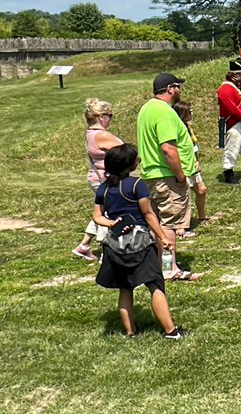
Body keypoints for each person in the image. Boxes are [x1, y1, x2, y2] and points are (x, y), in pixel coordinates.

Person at [91, 144, 188, 339]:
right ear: (128, 166)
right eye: (136, 160)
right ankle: (170, 331)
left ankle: (130, 332)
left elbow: (97, 217)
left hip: (115, 245)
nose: (138, 162)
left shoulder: (104, 188)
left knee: (125, 288)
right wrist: (162, 237)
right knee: (155, 284)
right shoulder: (137, 185)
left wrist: (111, 223)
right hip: (139, 243)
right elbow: (148, 214)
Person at [135, 73, 198, 281]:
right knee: (170, 224)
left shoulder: (146, 109)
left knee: (157, 222)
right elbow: (168, 149)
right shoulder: (164, 112)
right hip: (167, 176)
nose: (180, 90)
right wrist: (180, 176)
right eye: (178, 86)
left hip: (151, 175)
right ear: (170, 88)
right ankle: (169, 268)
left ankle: (159, 263)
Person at [75, 98, 123, 261]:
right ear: (102, 117)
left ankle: (84, 246)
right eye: (110, 115)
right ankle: (106, 252)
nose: (110, 119)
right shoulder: (102, 135)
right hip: (104, 179)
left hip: (96, 177)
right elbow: (124, 151)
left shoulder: (90, 133)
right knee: (108, 214)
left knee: (100, 211)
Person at [173, 101, 208, 234]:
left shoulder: (188, 126)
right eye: (189, 112)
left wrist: (197, 160)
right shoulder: (176, 128)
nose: (192, 114)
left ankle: (202, 216)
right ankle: (181, 227)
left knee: (202, 190)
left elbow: (192, 146)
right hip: (183, 166)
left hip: (192, 165)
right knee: (183, 197)